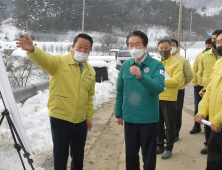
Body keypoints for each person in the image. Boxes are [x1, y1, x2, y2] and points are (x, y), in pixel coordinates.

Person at [16, 33, 96, 170]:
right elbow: (44, 59)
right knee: (60, 156)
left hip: (81, 121)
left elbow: (89, 97)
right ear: (72, 47)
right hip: (61, 119)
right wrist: (33, 50)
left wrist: (88, 117)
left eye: (87, 48)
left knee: (78, 156)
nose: (83, 51)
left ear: (90, 50)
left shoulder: (90, 71)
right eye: (80, 47)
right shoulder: (59, 62)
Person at [115, 30, 165, 170]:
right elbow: (120, 91)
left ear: (145, 46)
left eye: (137, 44)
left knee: (148, 156)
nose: (134, 48)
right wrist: (118, 113)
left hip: (148, 119)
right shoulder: (126, 66)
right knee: (130, 155)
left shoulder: (156, 65)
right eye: (130, 45)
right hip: (130, 119)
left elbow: (159, 88)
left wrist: (141, 76)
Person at [194, 29, 222, 170]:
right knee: (213, 163)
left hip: (217, 123)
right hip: (215, 127)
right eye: (217, 42)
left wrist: (217, 121)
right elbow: (209, 90)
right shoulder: (219, 62)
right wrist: (202, 111)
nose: (219, 45)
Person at [156, 39, 183, 159]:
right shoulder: (156, 63)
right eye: (161, 48)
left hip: (170, 99)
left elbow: (177, 81)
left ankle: (169, 147)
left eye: (166, 48)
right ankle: (160, 144)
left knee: (170, 124)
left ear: (170, 49)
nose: (163, 50)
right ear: (158, 49)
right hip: (156, 97)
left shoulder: (177, 64)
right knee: (158, 123)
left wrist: (160, 82)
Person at [170, 39, 193, 142]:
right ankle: (168, 132)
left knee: (177, 112)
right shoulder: (162, 59)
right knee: (166, 112)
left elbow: (189, 75)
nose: (171, 47)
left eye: (173, 45)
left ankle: (175, 133)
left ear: (177, 47)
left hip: (178, 90)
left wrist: (182, 83)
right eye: (169, 45)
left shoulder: (182, 60)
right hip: (165, 90)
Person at [190, 38, 212, 135]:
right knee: (198, 106)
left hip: (209, 85)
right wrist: (194, 81)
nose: (209, 47)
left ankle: (209, 127)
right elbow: (194, 68)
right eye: (207, 45)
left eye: (210, 45)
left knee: (210, 107)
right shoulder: (200, 55)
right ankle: (197, 125)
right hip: (199, 84)